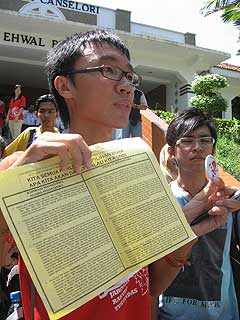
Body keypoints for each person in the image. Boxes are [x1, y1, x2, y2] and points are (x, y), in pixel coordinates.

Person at [0, 30, 238, 320]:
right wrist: (23, 174)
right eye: (108, 69)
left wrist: (189, 232)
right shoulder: (18, 170)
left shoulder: (139, 170)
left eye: (129, 76)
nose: (127, 86)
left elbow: (150, 285)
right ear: (65, 86)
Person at [156, 107, 240, 320]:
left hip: (223, 315)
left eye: (205, 140)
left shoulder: (232, 201)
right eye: (187, 140)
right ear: (172, 152)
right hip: (169, 315)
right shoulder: (159, 202)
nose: (197, 147)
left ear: (213, 150)